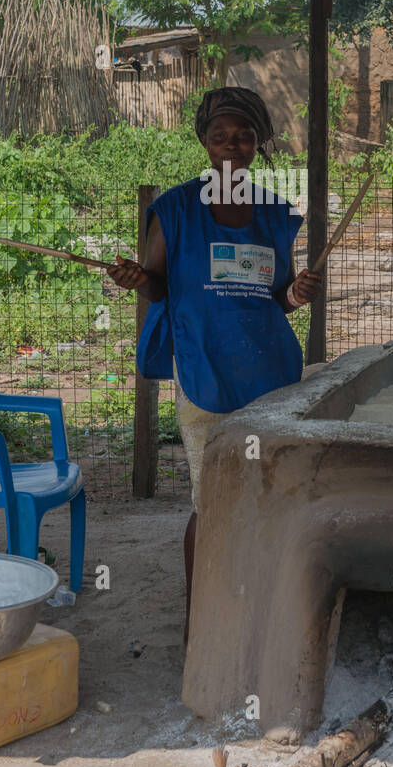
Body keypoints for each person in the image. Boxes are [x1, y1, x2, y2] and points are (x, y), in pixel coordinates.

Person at [106, 85, 323, 642]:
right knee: (211, 499)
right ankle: (199, 621)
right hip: (203, 370)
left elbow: (276, 300)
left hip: (271, 374)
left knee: (268, 494)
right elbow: (157, 286)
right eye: (221, 136)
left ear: (259, 144)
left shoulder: (275, 214)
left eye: (245, 136)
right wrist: (137, 279)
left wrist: (298, 294)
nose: (233, 145)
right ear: (204, 141)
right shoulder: (176, 209)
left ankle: (263, 608)